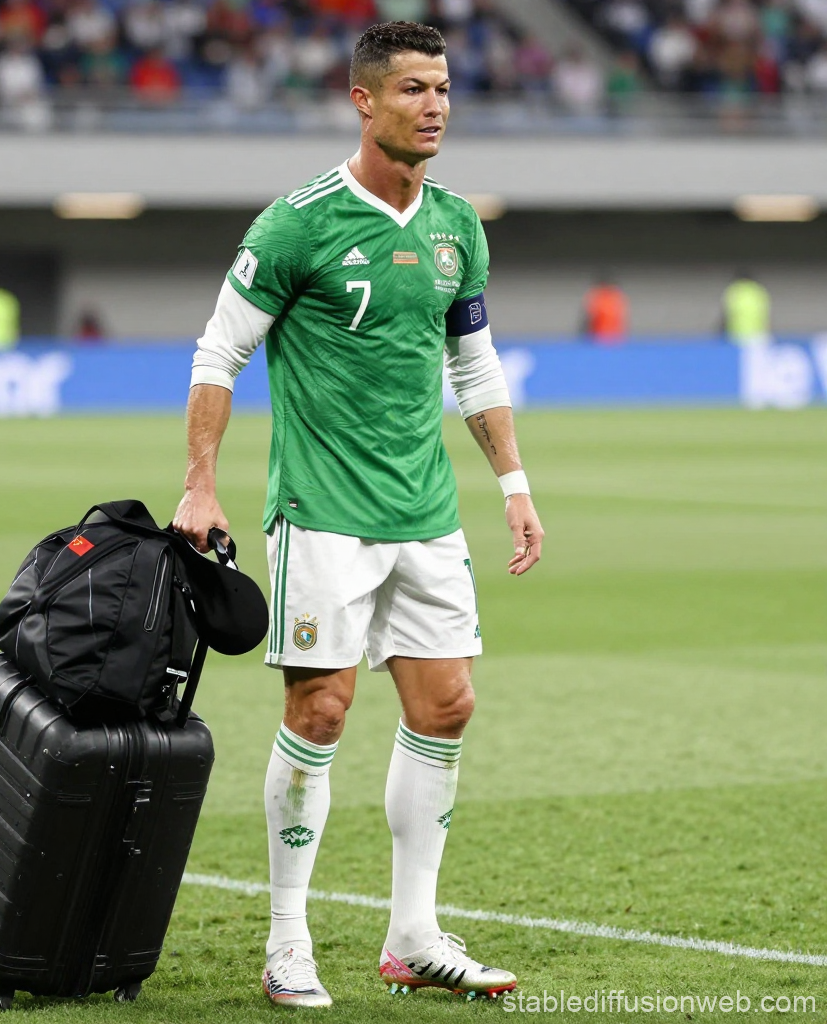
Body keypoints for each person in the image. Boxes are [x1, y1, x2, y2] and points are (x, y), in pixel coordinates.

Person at [173, 21, 544, 1008]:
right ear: (363, 101)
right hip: (322, 510)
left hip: (423, 511)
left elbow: (471, 361)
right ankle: (287, 938)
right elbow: (218, 354)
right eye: (416, 88)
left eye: (446, 89)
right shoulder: (297, 224)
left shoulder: (457, 225)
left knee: (446, 705)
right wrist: (200, 483)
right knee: (320, 710)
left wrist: (511, 483)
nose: (436, 105)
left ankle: (412, 935)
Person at [721, 270, 771, 344]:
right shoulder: (759, 290)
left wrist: (720, 331)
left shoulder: (734, 290)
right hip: (759, 335)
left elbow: (727, 314)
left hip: (738, 335)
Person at [581, 274, 629, 342]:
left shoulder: (614, 296)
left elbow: (589, 317)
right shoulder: (616, 295)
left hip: (610, 336)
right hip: (602, 337)